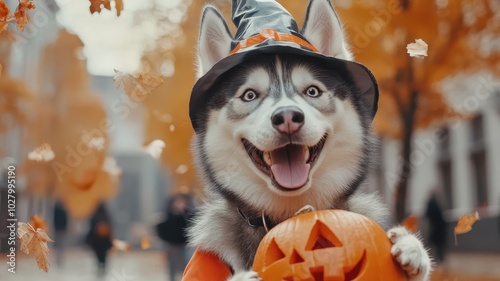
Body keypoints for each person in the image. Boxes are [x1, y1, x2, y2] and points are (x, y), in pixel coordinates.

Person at [156, 194, 193, 281]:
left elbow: (191, 225)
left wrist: (184, 212)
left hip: (184, 247)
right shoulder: (167, 215)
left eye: (181, 202)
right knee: (171, 269)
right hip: (171, 247)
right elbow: (162, 229)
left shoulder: (187, 215)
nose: (179, 204)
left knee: (186, 267)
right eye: (177, 202)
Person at [86, 202, 113, 276]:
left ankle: (100, 265)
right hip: (104, 240)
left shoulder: (95, 215)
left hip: (97, 240)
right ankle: (103, 266)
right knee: (104, 254)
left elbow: (91, 226)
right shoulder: (106, 216)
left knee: (98, 253)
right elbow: (110, 226)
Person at [425, 191, 447, 264]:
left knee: (433, 244)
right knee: (438, 245)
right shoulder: (436, 204)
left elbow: (427, 214)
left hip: (434, 227)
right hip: (437, 228)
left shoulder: (431, 203)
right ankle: (439, 259)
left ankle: (434, 259)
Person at [53, 201, 68, 266]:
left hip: (58, 229)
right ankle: (59, 257)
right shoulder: (63, 211)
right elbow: (65, 220)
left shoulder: (56, 211)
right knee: (61, 244)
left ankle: (58, 257)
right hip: (61, 229)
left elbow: (54, 220)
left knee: (58, 244)